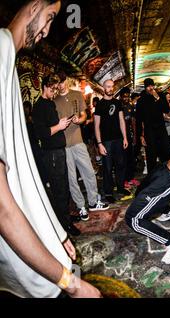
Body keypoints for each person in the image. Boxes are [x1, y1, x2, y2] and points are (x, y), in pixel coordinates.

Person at [0, 0, 100, 298]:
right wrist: (71, 283)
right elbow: (3, 206)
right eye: (49, 17)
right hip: (28, 269)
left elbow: (19, 178)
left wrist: (53, 233)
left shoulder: (8, 58)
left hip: (30, 259)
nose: (47, 29)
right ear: (34, 6)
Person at [54, 72, 109, 221]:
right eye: (57, 83)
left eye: (61, 82)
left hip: (78, 141)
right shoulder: (54, 100)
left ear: (66, 80)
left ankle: (92, 202)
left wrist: (80, 119)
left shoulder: (77, 94)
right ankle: (81, 206)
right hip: (64, 145)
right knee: (72, 179)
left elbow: (85, 115)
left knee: (89, 172)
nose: (59, 85)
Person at [32, 74, 80, 236]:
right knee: (59, 189)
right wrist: (59, 126)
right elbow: (41, 133)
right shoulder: (39, 107)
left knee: (64, 186)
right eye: (52, 89)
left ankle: (65, 217)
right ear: (45, 87)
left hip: (59, 151)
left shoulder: (50, 104)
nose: (54, 92)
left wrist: (62, 123)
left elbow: (53, 126)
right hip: (51, 153)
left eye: (55, 89)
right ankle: (63, 225)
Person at [94, 79, 130, 203]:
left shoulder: (117, 102)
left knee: (121, 165)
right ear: (103, 88)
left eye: (112, 86)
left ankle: (120, 188)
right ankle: (108, 192)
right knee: (107, 168)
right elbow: (96, 125)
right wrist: (99, 144)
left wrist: (125, 137)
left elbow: (121, 121)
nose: (110, 89)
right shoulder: (100, 104)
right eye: (108, 87)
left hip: (118, 139)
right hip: (106, 142)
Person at [136, 78, 170, 173]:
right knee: (151, 155)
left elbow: (166, 110)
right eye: (148, 86)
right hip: (149, 131)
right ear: (145, 87)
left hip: (161, 129)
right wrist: (141, 135)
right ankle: (152, 177)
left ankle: (167, 174)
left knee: (166, 152)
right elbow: (139, 120)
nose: (151, 88)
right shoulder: (141, 100)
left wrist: (158, 98)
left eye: (152, 86)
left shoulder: (160, 96)